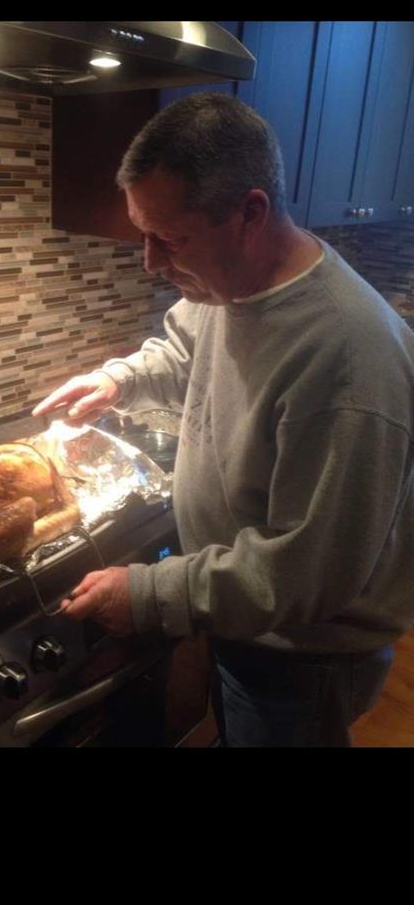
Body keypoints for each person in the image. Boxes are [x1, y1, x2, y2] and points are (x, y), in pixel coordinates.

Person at [33, 92, 414, 747]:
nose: (151, 261)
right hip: (243, 621)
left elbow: (307, 574)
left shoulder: (349, 360)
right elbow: (182, 348)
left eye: (167, 239)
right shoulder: (224, 285)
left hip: (302, 653)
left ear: (250, 213)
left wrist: (153, 595)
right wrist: (115, 381)